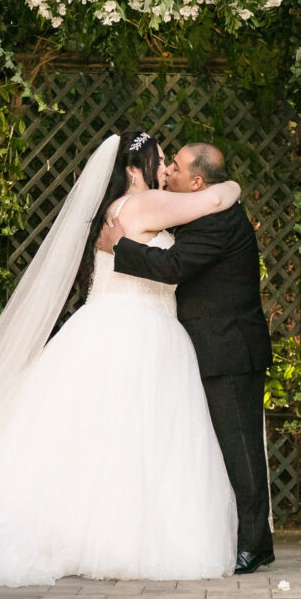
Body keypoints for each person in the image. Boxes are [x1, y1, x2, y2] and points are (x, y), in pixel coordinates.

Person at [0, 132, 242, 587]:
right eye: (160, 161)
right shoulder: (143, 205)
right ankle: (115, 536)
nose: (165, 170)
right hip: (133, 330)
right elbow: (210, 202)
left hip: (118, 325)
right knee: (129, 437)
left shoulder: (120, 210)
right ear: (132, 170)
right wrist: (233, 187)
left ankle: (87, 531)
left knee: (100, 437)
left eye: (169, 163)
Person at [98, 142, 275, 574]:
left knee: (242, 450)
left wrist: (120, 245)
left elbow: (175, 266)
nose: (168, 172)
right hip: (209, 346)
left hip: (228, 347)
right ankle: (242, 537)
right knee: (218, 449)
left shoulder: (218, 221)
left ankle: (256, 545)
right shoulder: (204, 208)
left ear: (196, 181)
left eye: (174, 167)